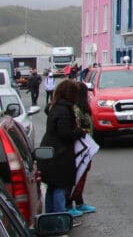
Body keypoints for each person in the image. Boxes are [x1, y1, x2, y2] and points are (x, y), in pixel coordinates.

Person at [38, 79, 84, 214]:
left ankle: (50, 218)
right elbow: (65, 133)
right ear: (70, 94)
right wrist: (79, 132)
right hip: (59, 155)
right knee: (59, 187)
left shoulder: (54, 106)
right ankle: (59, 219)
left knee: (52, 187)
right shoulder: (64, 110)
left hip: (50, 152)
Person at [66, 81, 98, 217]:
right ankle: (69, 204)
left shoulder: (83, 108)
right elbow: (77, 128)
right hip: (80, 148)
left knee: (82, 175)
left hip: (86, 147)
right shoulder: (76, 109)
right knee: (77, 177)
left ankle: (79, 202)